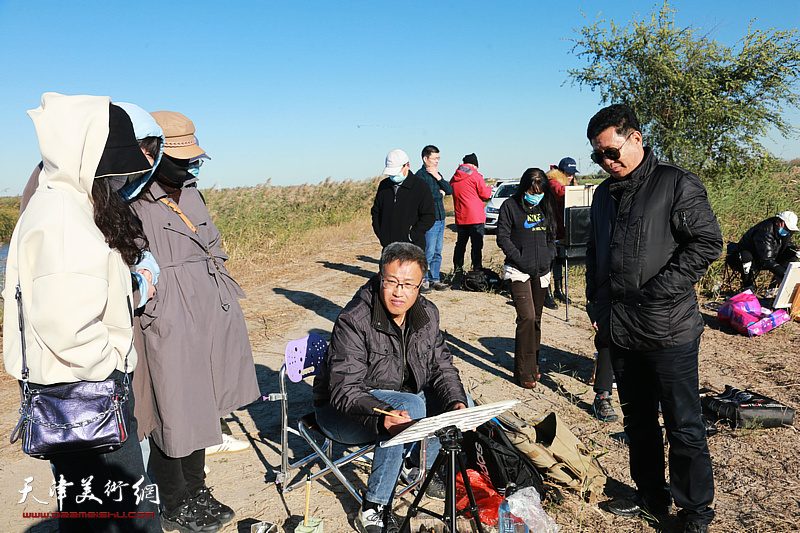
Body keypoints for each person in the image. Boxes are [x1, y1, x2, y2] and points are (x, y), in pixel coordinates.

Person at [3, 93, 161, 533]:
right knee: (126, 514)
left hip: (72, 389)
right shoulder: (64, 218)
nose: (122, 176)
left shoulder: (60, 204)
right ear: (88, 155)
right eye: (115, 165)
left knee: (89, 510)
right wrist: (112, 363)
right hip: (85, 390)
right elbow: (67, 325)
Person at [585, 104, 722, 533]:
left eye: (611, 151)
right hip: (621, 331)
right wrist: (598, 308)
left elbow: (705, 243)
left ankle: (695, 512)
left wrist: (657, 293)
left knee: (683, 425)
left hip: (670, 331)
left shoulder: (676, 184)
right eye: (598, 157)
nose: (608, 162)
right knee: (638, 422)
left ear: (636, 139)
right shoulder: (603, 196)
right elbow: (595, 255)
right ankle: (651, 498)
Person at [131, 111, 261, 533]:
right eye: (180, 156)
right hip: (168, 316)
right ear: (153, 152)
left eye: (193, 157)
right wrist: (160, 305)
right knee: (173, 409)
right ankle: (174, 501)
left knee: (203, 405)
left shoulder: (190, 190)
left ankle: (197, 488)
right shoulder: (133, 199)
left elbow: (212, 242)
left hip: (209, 309)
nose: (188, 164)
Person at [313, 242, 469, 533]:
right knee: (410, 407)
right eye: (392, 282)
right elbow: (343, 390)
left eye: (408, 284)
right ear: (380, 277)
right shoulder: (355, 319)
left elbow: (442, 366)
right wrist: (382, 413)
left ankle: (416, 464)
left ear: (421, 284)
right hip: (342, 415)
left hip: (398, 405)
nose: (399, 292)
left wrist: (457, 401)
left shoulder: (428, 315)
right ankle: (374, 506)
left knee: (458, 403)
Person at [496, 168, 556, 389]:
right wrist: (520, 258)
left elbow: (552, 235)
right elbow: (502, 238)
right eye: (532, 190)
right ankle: (524, 371)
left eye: (540, 191)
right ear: (524, 188)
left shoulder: (545, 206)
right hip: (518, 271)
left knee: (537, 319)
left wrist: (550, 256)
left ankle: (534, 365)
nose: (536, 194)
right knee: (527, 318)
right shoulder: (510, 206)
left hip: (542, 271)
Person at [371, 149, 435, 250]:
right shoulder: (384, 185)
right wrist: (382, 234)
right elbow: (376, 212)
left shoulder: (421, 186)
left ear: (407, 166)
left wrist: (412, 235)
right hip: (388, 247)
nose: (394, 176)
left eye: (396, 172)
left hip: (413, 247)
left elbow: (429, 216)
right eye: (391, 173)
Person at [726, 211, 799, 288]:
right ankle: (748, 288)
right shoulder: (764, 231)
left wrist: (795, 249)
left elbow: (786, 244)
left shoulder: (786, 231)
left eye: (790, 229)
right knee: (746, 256)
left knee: (791, 254)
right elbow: (767, 259)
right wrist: (785, 274)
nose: (788, 230)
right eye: (786, 227)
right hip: (752, 258)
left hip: (768, 256)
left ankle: (773, 288)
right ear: (778, 221)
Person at [450, 153, 492, 285]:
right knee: (476, 246)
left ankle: (457, 271)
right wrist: (490, 189)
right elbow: (485, 194)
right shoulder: (475, 176)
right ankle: (476, 270)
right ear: (474, 164)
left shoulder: (454, 178)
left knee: (460, 245)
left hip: (461, 217)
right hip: (475, 217)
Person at [417, 145, 453, 293]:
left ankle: (435, 279)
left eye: (438, 158)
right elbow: (426, 198)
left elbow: (450, 190)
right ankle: (423, 281)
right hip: (429, 219)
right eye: (434, 158)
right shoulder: (419, 176)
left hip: (441, 216)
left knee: (438, 251)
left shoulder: (437, 174)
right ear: (425, 159)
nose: (437, 161)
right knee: (428, 251)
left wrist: (439, 177)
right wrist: (440, 195)